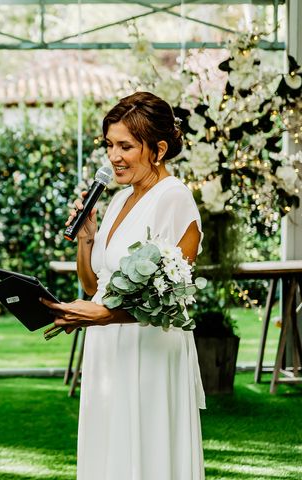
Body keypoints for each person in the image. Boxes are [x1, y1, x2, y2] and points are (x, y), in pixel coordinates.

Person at [42, 91, 205, 480]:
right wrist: (86, 237)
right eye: (110, 145)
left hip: (148, 353)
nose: (113, 156)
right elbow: (95, 285)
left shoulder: (174, 198)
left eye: (126, 146)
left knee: (145, 455)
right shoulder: (119, 200)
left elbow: (174, 299)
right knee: (109, 454)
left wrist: (103, 315)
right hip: (108, 351)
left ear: (158, 149)